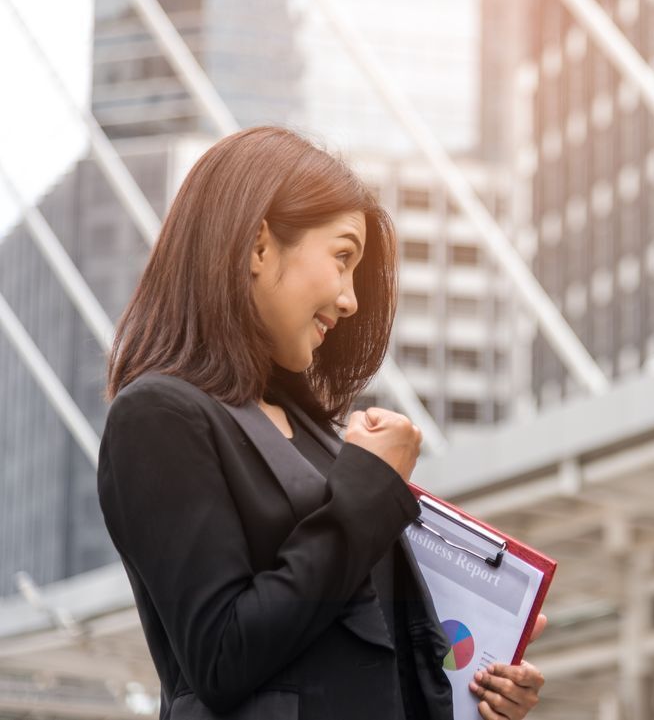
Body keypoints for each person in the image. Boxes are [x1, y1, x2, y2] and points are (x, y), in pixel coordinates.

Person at [98, 127, 545, 720]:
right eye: (342, 258)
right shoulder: (158, 417)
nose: (350, 299)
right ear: (259, 246)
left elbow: (365, 649)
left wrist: (479, 690)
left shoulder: (315, 435)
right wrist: (365, 492)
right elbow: (222, 654)